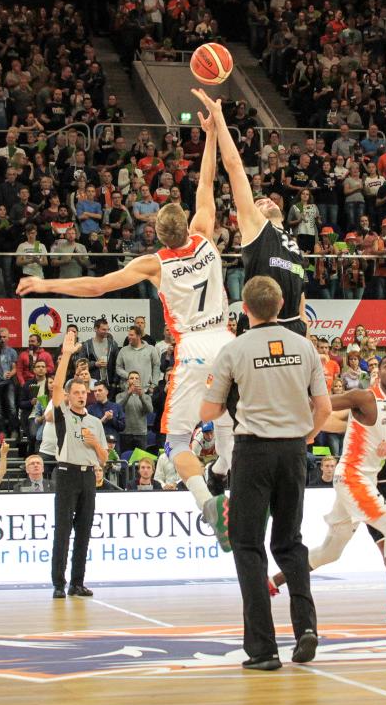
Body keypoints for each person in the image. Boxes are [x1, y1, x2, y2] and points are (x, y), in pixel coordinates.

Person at [18, 96, 234, 522]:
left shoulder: (154, 263)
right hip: (226, 339)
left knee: (176, 440)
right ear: (187, 223)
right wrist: (210, 136)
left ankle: (208, 502)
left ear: (156, 231)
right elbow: (206, 184)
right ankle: (228, 472)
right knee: (225, 416)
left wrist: (45, 282)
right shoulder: (206, 236)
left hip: (191, 346)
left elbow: (97, 285)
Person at [199, 276, 331, 670]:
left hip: (254, 452)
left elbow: (208, 412)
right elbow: (322, 408)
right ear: (280, 305)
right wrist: (302, 438)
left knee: (248, 546)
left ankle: (263, 649)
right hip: (293, 451)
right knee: (290, 543)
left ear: (245, 308)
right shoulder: (305, 346)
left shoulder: (234, 349)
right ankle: (306, 628)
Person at [272, 352, 386, 623]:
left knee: (329, 553)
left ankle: (272, 582)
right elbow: (321, 404)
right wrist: (302, 417)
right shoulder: (364, 398)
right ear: (378, 374)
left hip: (361, 481)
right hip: (353, 478)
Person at [195, 90, 306, 337]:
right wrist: (219, 120)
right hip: (262, 326)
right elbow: (234, 167)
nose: (264, 199)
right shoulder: (257, 228)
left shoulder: (291, 242)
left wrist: (306, 339)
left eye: (266, 199)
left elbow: (301, 299)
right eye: (258, 203)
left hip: (294, 326)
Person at [45, 330, 107, 599]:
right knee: (63, 530)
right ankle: (58, 583)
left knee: (84, 531)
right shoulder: (62, 414)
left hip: (88, 476)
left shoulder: (94, 422)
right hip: (67, 473)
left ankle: (77, 582)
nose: (82, 395)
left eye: (84, 392)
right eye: (77, 392)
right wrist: (67, 355)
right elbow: (56, 386)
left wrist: (95, 444)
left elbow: (105, 458)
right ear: (69, 396)